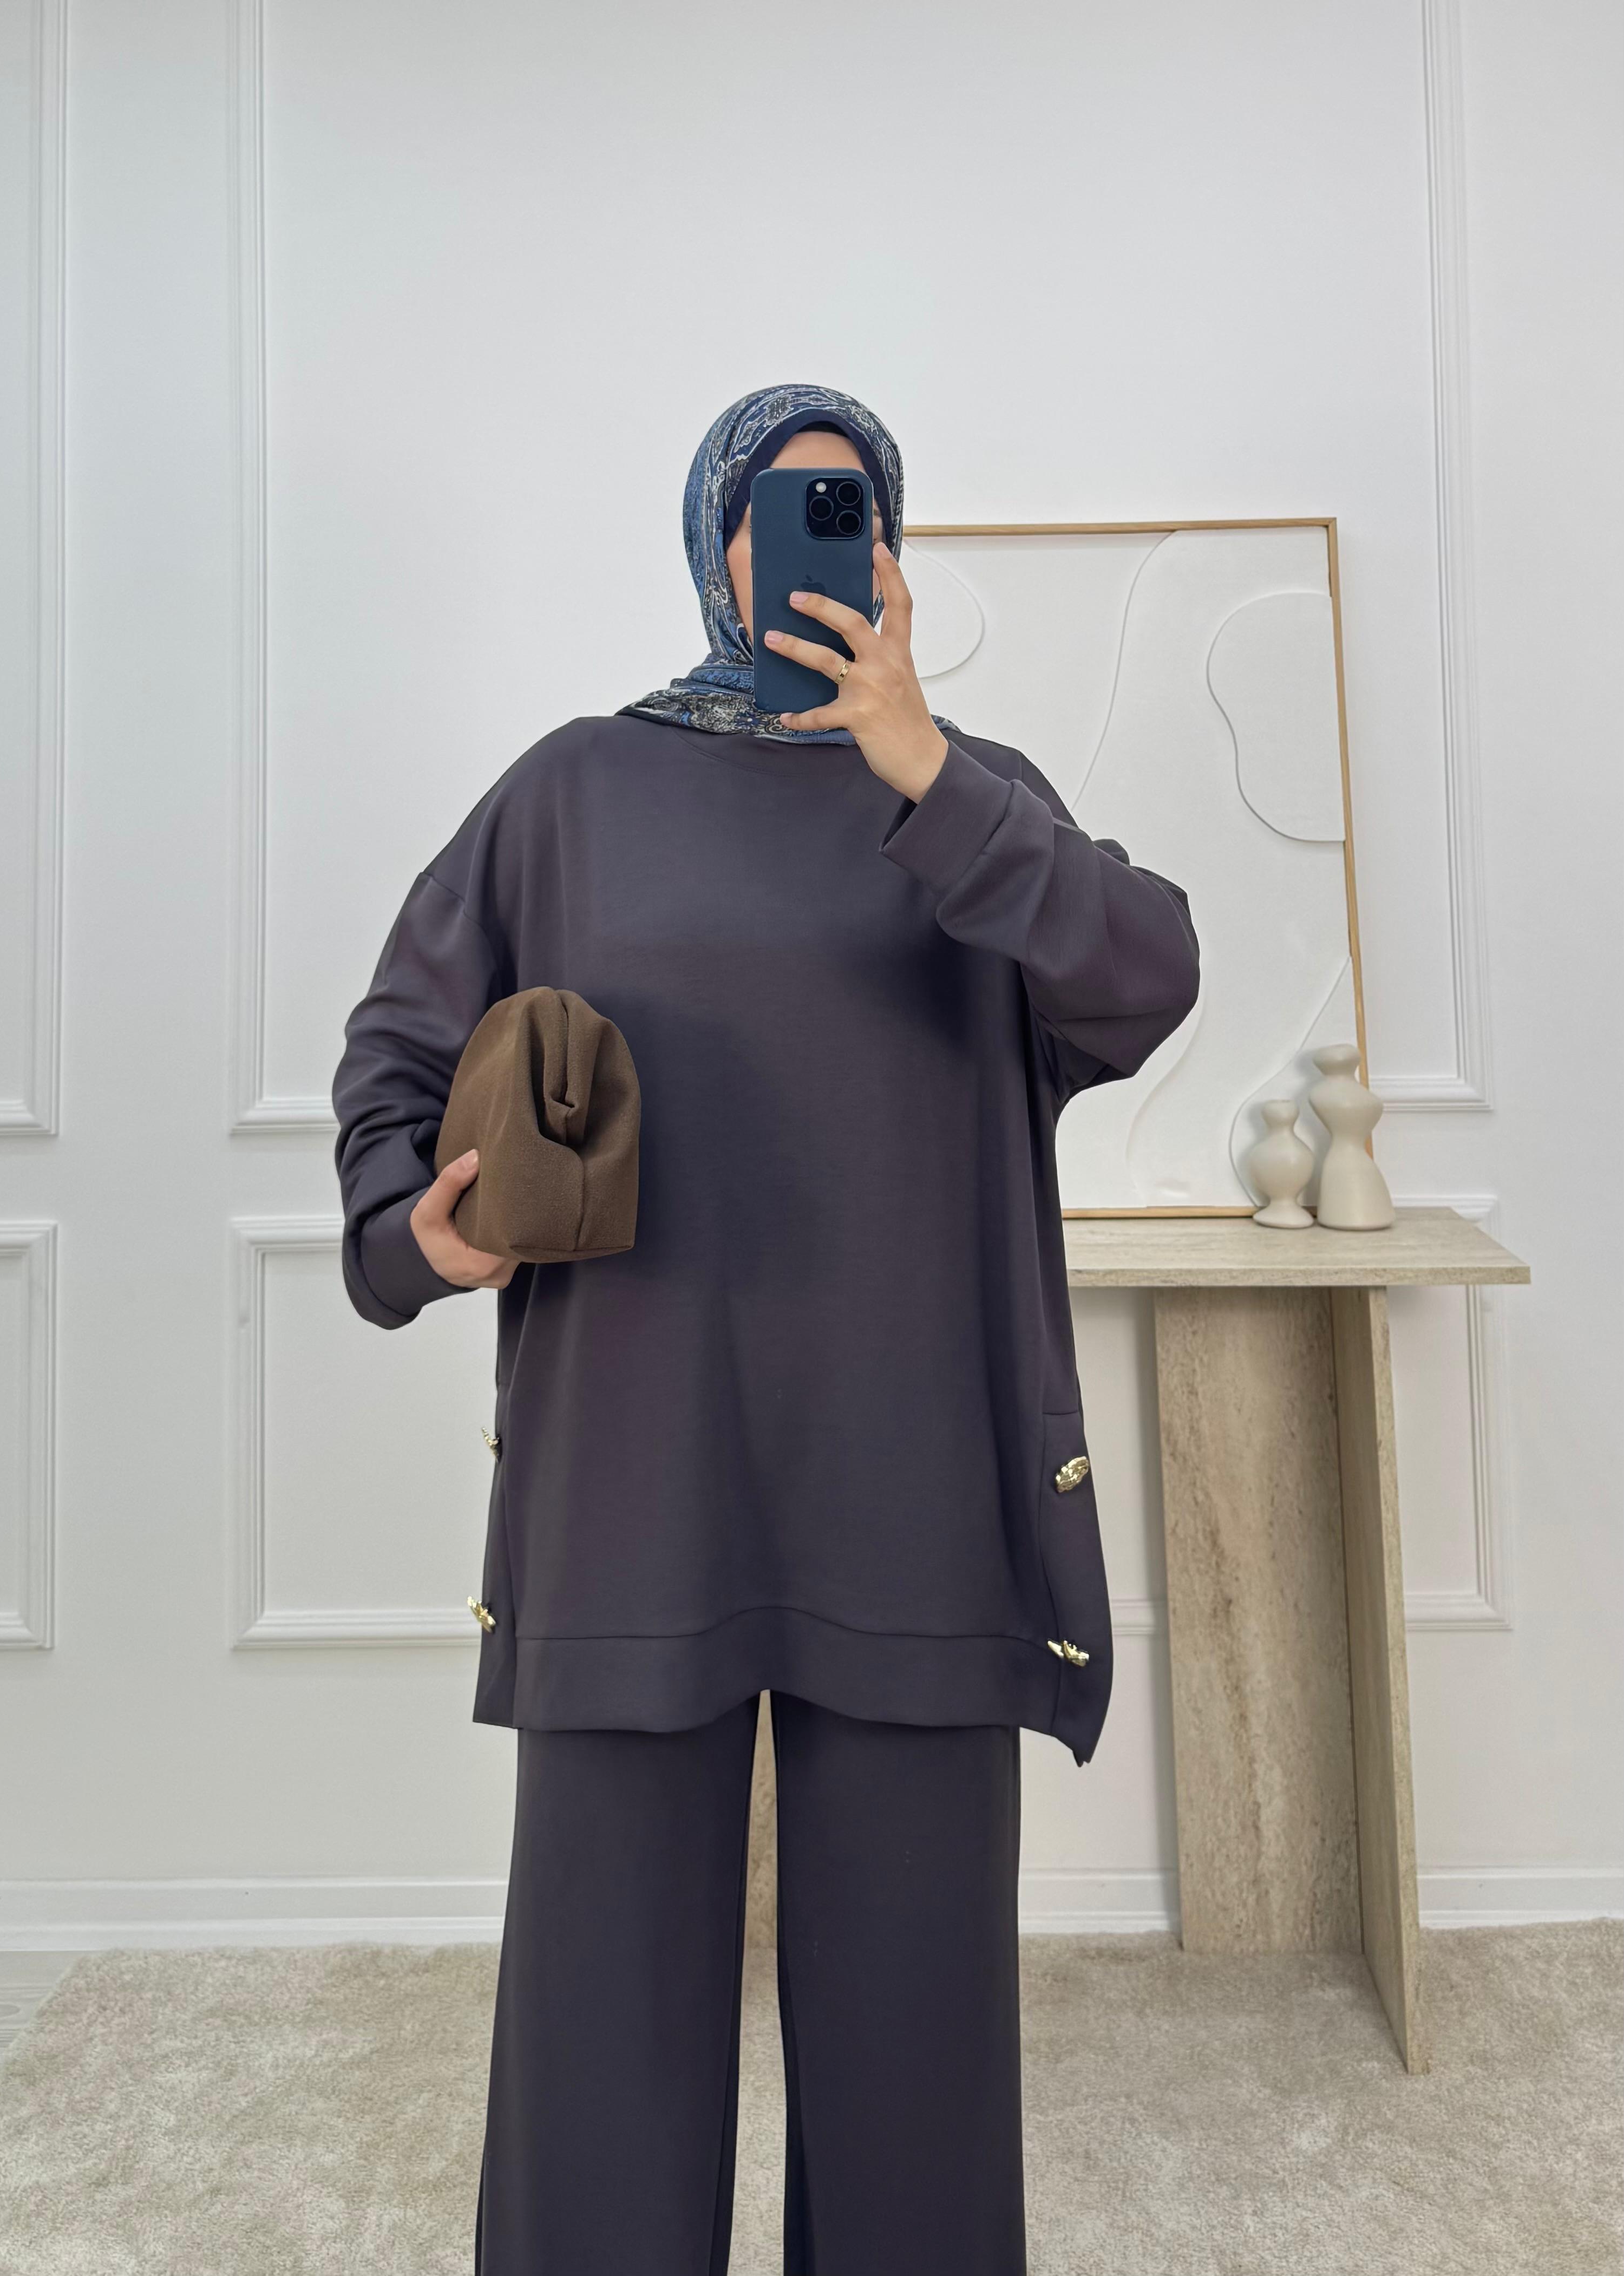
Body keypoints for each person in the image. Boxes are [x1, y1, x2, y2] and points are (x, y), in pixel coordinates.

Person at [331, 381, 1201, 2274]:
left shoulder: (970, 795)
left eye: (853, 506)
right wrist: (418, 1229)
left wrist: (924, 771)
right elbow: (395, 1052)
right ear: (709, 538)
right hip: (635, 1482)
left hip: (912, 1490)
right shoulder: (571, 792)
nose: (821, 539)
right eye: (783, 506)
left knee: (916, 2047)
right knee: (599, 2037)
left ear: (891, 550)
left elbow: (1147, 976)